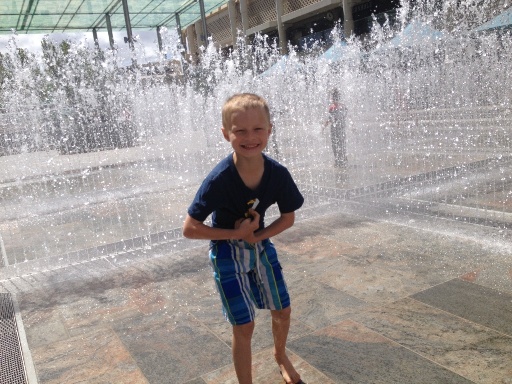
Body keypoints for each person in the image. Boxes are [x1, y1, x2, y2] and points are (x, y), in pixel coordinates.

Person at [182, 93, 305, 384]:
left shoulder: (277, 174)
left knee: (283, 310)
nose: (250, 137)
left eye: (258, 129)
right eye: (240, 131)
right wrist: (236, 234)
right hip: (226, 252)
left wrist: (258, 235)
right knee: (244, 325)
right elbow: (190, 227)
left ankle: (280, 355)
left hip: (260, 246)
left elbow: (288, 218)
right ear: (226, 134)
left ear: (270, 130)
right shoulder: (219, 179)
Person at [323, 88, 348, 167]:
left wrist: (323, 127)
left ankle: (337, 160)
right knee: (342, 143)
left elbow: (330, 119)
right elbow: (346, 116)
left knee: (335, 144)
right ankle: (343, 159)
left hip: (334, 129)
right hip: (342, 127)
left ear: (332, 98)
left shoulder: (332, 107)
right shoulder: (343, 106)